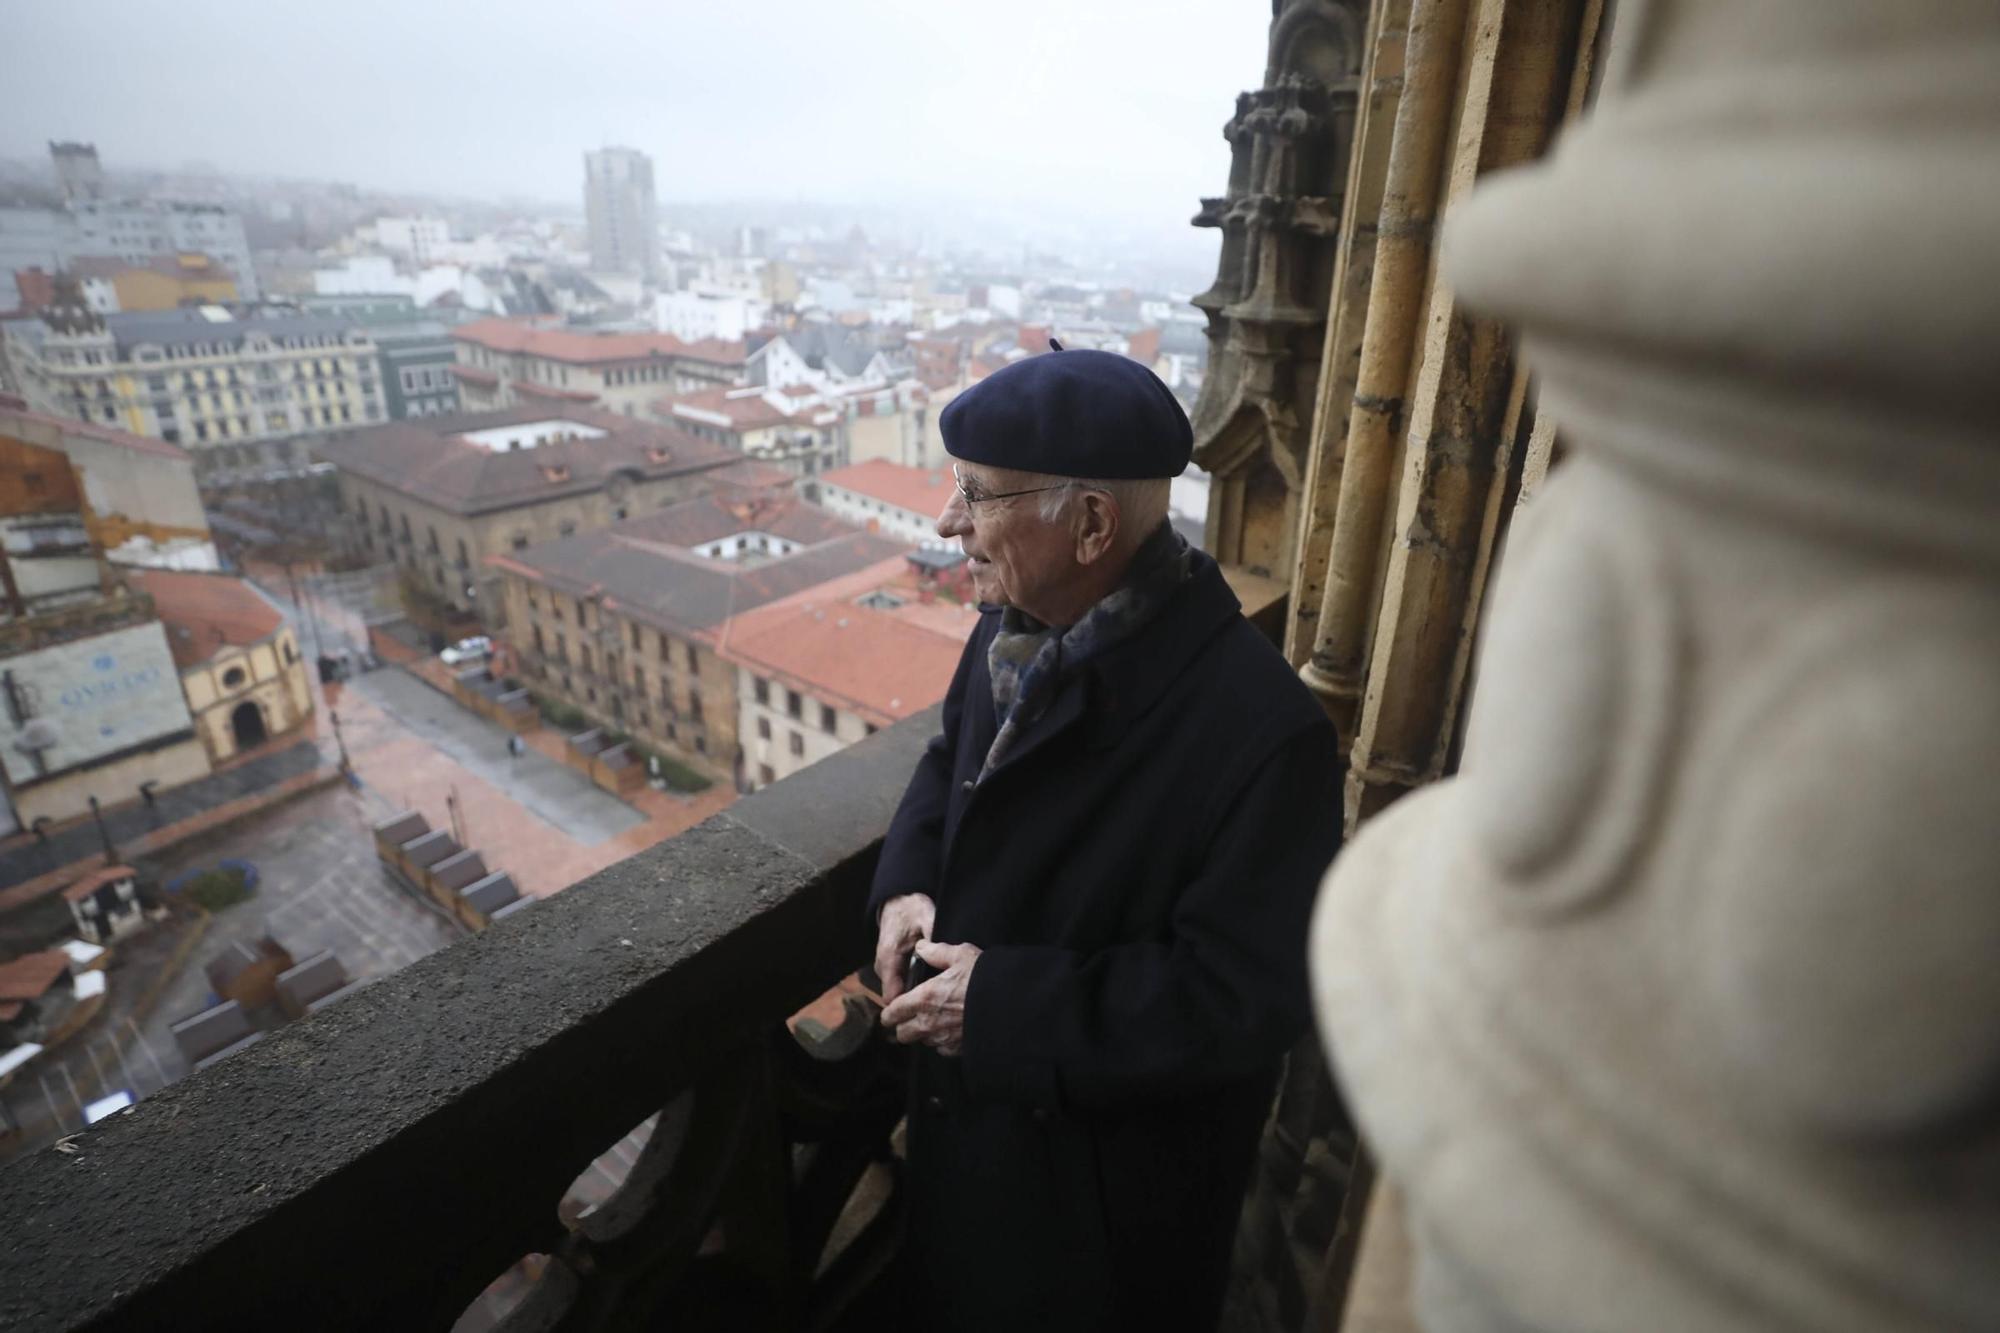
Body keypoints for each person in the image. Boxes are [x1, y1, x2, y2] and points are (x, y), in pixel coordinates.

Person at [870, 347, 1344, 1331]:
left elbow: (1240, 999)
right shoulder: (1005, 633)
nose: (946, 522)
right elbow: (944, 762)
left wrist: (1001, 1007)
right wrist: (906, 884)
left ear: (1090, 524)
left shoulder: (1263, 734)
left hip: (1097, 1224)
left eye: (977, 495)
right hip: (971, 1166)